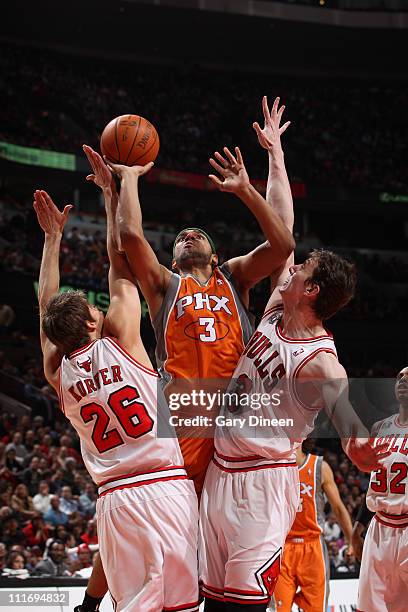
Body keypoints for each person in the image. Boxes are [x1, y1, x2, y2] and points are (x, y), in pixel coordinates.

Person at [77, 99, 296, 612]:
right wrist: (126, 181)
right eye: (179, 238)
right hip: (181, 423)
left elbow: (283, 245)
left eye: (197, 235)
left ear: (216, 255)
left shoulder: (236, 277)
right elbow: (128, 241)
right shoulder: (163, 286)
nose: (188, 235)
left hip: (236, 430)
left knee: (220, 554)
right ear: (172, 258)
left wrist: (246, 190)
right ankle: (91, 602)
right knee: (150, 520)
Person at [198, 96, 391, 611]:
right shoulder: (281, 304)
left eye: (301, 270)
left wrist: (360, 446)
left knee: (242, 604)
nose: (290, 268)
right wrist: (276, 153)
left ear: (310, 292)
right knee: (211, 601)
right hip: (221, 469)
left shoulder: (322, 362)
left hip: (264, 485)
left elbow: (347, 417)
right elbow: (282, 226)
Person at [34, 164, 199, 612]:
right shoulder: (124, 337)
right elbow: (120, 262)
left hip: (114, 501)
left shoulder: (58, 372)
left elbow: (46, 310)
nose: (99, 307)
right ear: (91, 322)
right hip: (164, 486)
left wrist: (52, 242)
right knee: (180, 606)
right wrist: (111, 198)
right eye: (94, 307)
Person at [272, 441, 353, 612]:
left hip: (313, 546)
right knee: (279, 609)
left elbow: (338, 507)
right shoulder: (273, 468)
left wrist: (351, 540)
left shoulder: (319, 466)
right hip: (282, 546)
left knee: (316, 609)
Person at [357, 365, 408, 612]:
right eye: (400, 377)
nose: (403, 381)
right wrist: (358, 525)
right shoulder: (379, 428)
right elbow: (371, 479)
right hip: (379, 526)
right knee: (370, 606)